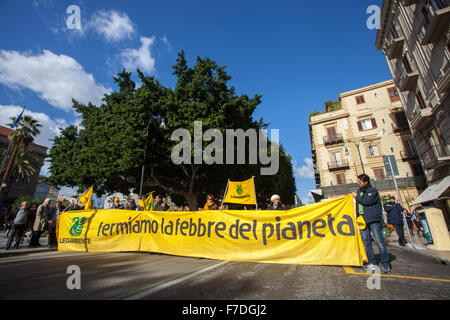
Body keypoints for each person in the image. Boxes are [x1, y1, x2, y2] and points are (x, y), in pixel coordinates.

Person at [352, 174, 391, 274]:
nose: (358, 183)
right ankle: (371, 263)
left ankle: (385, 263)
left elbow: (367, 201)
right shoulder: (359, 191)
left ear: (366, 182)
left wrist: (356, 197)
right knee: (366, 243)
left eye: (359, 181)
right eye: (358, 181)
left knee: (380, 242)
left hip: (373, 220)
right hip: (362, 220)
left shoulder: (372, 191)